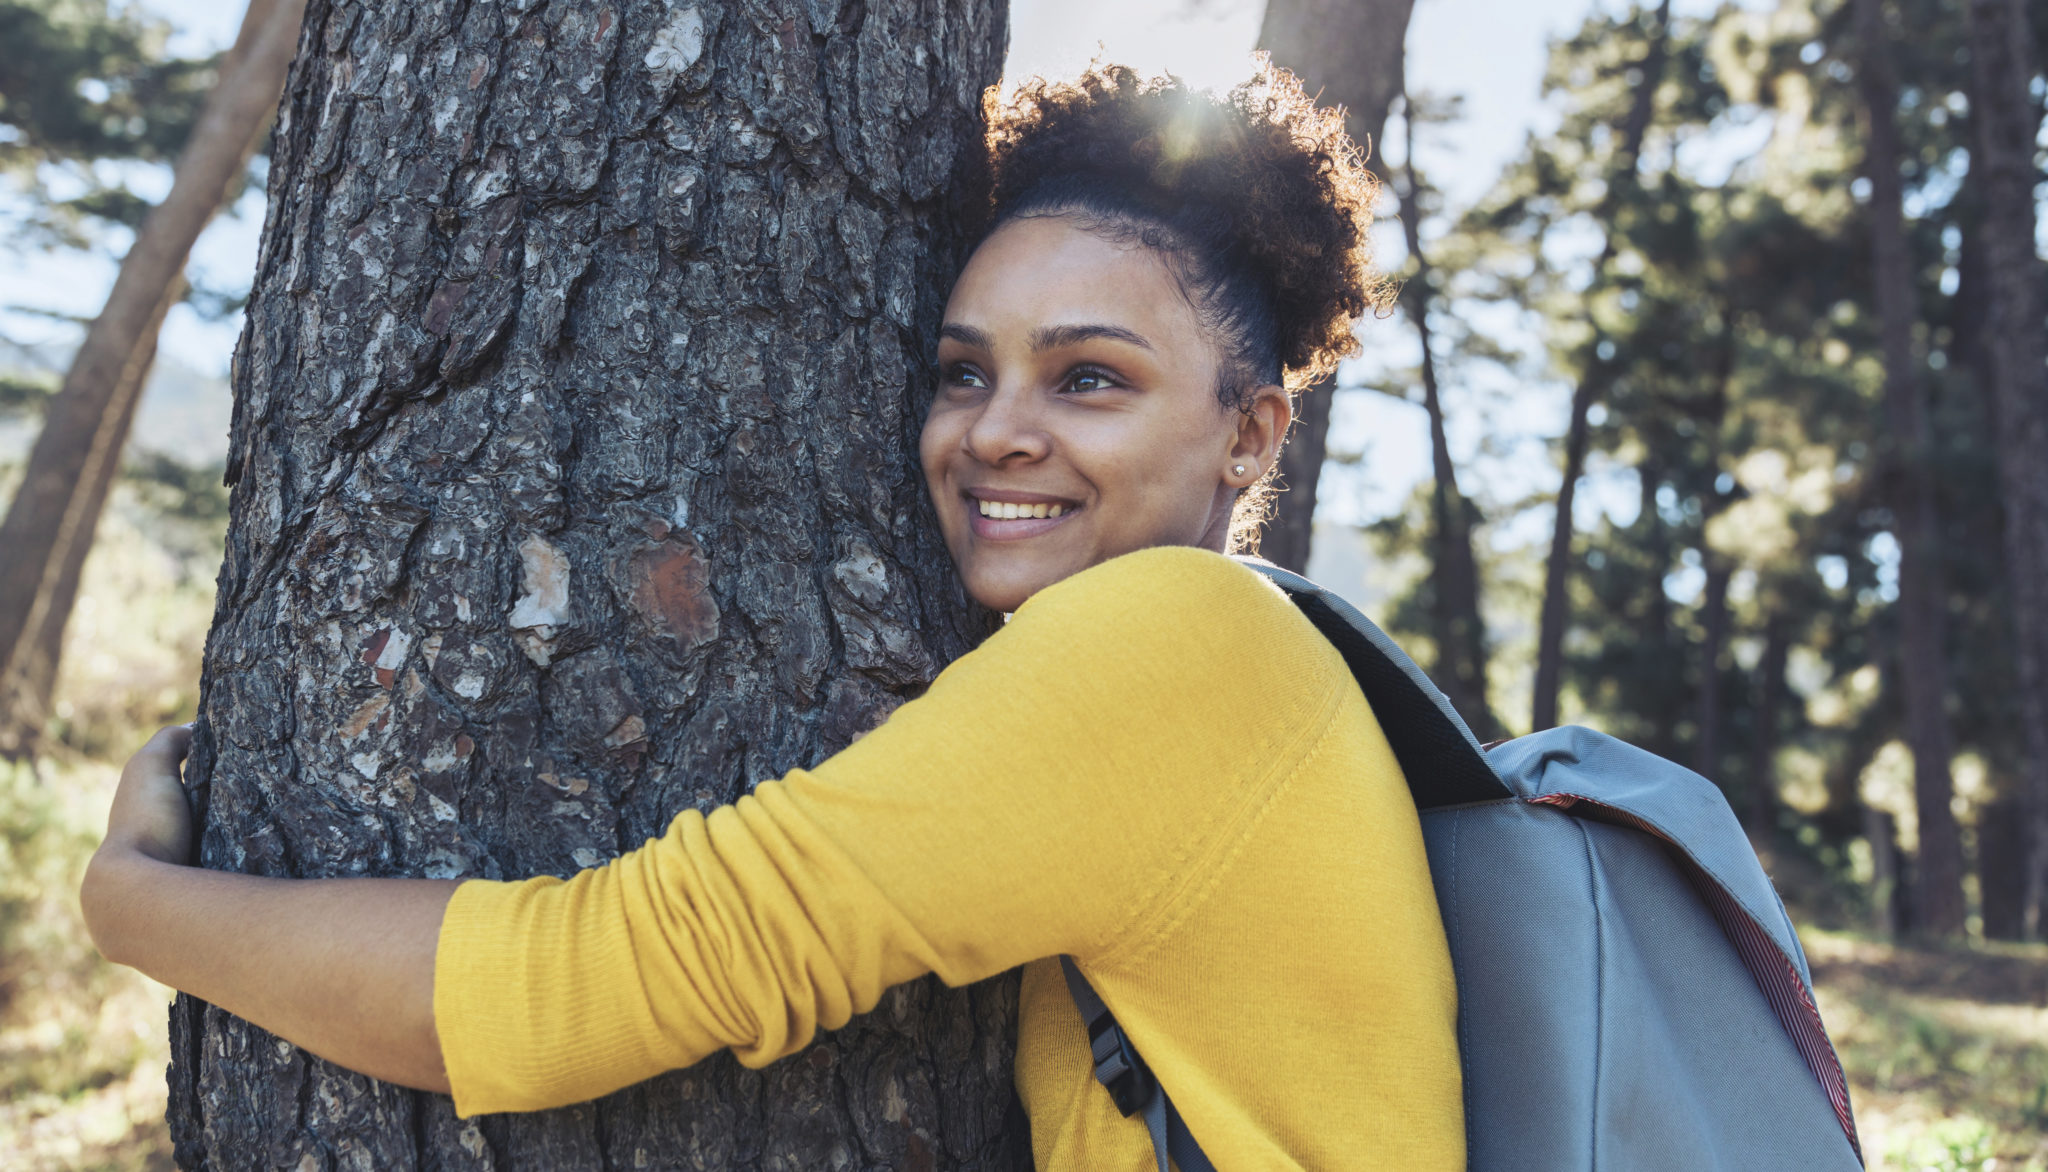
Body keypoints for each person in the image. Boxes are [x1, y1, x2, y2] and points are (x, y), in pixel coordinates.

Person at [82, 64, 1463, 1170]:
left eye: (1089, 380)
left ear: (1250, 432)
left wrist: (138, 906)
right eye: (961, 371)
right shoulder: (1241, 660)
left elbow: (593, 982)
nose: (996, 435)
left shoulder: (1172, 644)